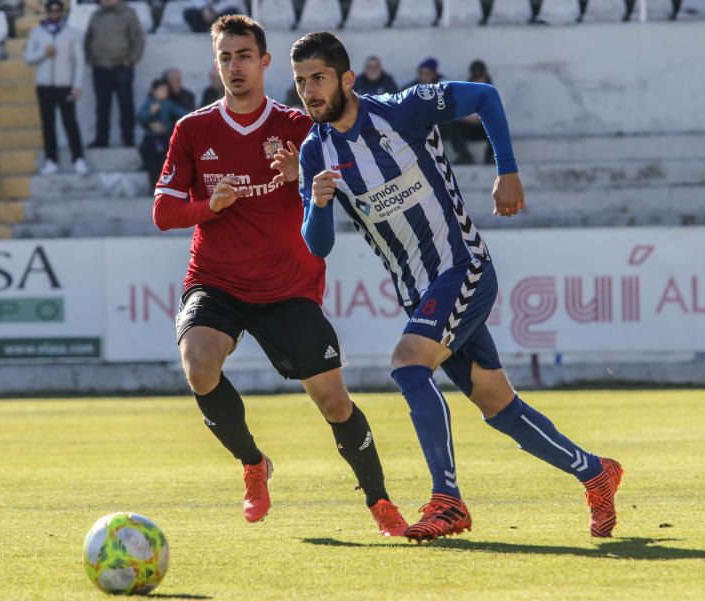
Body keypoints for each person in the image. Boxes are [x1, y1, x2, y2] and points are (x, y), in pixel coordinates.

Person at [291, 32, 623, 543]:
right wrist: (316, 203)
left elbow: (486, 97)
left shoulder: (404, 109)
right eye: (300, 82)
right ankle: (595, 472)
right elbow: (318, 247)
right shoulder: (315, 152)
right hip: (418, 291)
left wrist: (507, 171)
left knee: (407, 364)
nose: (309, 91)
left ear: (347, 79)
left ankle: (448, 500)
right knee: (498, 406)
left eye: (318, 78)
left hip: (462, 265)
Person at [151, 15, 408, 537]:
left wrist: (299, 178)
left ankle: (381, 503)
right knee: (198, 365)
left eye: (244, 55)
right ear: (215, 63)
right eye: (225, 57)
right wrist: (208, 205)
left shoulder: (298, 127)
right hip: (217, 280)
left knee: (335, 403)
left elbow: (349, 188)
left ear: (265, 62)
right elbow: (162, 212)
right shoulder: (193, 129)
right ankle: (252, 463)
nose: (234, 66)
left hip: (287, 287)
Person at [25, 0, 89, 176]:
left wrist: (76, 85)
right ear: (46, 12)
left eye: (58, 10)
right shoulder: (38, 32)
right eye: (51, 10)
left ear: (62, 12)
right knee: (48, 123)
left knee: (69, 121)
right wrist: (44, 53)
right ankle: (51, 159)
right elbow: (29, 57)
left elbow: (79, 61)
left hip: (65, 85)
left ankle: (78, 158)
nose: (54, 13)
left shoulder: (71, 33)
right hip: (44, 86)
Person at [85, 0, 145, 148]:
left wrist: (130, 60)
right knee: (102, 105)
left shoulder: (128, 13)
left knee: (125, 104)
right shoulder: (96, 15)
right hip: (100, 67)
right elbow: (88, 38)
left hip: (121, 67)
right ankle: (101, 139)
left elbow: (138, 39)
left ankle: (128, 138)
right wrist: (90, 58)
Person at [137, 77, 188, 186]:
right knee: (148, 151)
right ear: (154, 91)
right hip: (152, 138)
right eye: (161, 91)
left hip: (165, 136)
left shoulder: (168, 104)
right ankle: (153, 183)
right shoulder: (149, 103)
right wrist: (150, 112)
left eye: (165, 91)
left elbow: (181, 112)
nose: (164, 93)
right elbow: (141, 117)